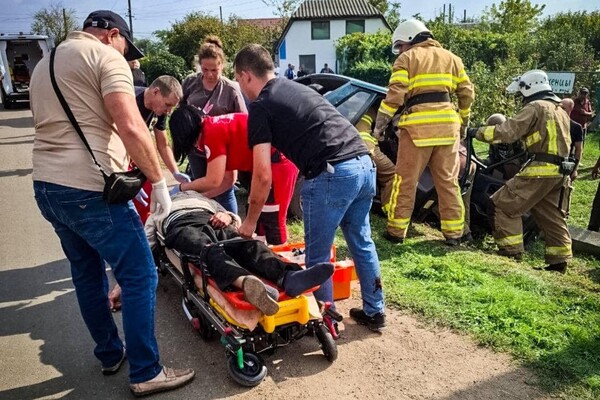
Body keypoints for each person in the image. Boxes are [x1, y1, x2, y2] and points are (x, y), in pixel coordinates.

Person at [29, 10, 194, 396]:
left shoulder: (43, 65)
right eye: (126, 47)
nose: (128, 57)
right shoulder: (106, 59)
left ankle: (109, 354)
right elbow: (130, 124)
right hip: (88, 190)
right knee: (139, 273)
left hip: (47, 187)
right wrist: (160, 184)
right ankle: (147, 371)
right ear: (112, 35)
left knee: (86, 273)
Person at [233, 44, 386, 332]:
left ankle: (325, 323)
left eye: (239, 81)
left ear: (245, 75)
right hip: (364, 164)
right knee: (362, 241)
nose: (241, 88)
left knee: (317, 256)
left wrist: (250, 223)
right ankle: (375, 311)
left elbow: (262, 176)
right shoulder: (296, 88)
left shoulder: (261, 106)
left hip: (331, 172)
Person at [142, 190, 334, 315]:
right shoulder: (161, 208)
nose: (180, 193)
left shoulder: (204, 199)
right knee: (209, 250)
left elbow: (234, 218)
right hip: (180, 224)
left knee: (247, 245)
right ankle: (247, 283)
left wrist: (226, 216)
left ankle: (289, 276)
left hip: (210, 218)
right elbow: (148, 239)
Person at [373, 19, 474, 245]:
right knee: (448, 182)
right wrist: (465, 121)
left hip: (417, 128)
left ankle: (396, 232)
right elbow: (467, 93)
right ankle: (455, 235)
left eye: (400, 45)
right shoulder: (453, 59)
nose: (399, 50)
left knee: (405, 180)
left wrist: (380, 125)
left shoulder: (407, 59)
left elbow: (394, 96)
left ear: (410, 38)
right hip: (448, 128)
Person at [468, 69, 573, 273]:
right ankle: (559, 261)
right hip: (560, 173)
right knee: (551, 215)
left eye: (520, 93)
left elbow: (506, 132)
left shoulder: (535, 107)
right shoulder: (559, 110)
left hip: (540, 170)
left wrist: (475, 131)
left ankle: (511, 252)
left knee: (502, 205)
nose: (519, 98)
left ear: (528, 88)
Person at [168, 104, 298, 245]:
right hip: (266, 163)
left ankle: (282, 259)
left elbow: (213, 180)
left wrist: (182, 188)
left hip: (278, 162)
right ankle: (264, 253)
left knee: (272, 221)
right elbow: (227, 181)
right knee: (259, 221)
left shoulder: (211, 133)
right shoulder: (214, 128)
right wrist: (198, 197)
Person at [180, 35, 247, 213]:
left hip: (221, 151)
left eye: (214, 70)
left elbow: (243, 121)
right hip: (196, 149)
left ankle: (232, 224)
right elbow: (181, 113)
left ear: (222, 66)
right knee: (201, 185)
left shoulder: (231, 89)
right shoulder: (190, 83)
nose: (209, 75)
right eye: (205, 69)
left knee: (224, 190)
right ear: (199, 66)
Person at [132, 76, 191, 220]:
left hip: (137, 159)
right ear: (156, 92)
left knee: (147, 205)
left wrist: (175, 172)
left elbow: (163, 144)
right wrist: (124, 172)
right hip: (115, 159)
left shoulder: (159, 110)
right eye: (168, 105)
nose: (169, 111)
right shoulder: (130, 100)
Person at [560, 98, 583, 180]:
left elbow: (579, 149)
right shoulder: (553, 124)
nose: (560, 110)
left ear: (570, 109)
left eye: (563, 108)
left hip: (566, 162)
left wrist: (575, 169)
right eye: (558, 107)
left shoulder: (576, 127)